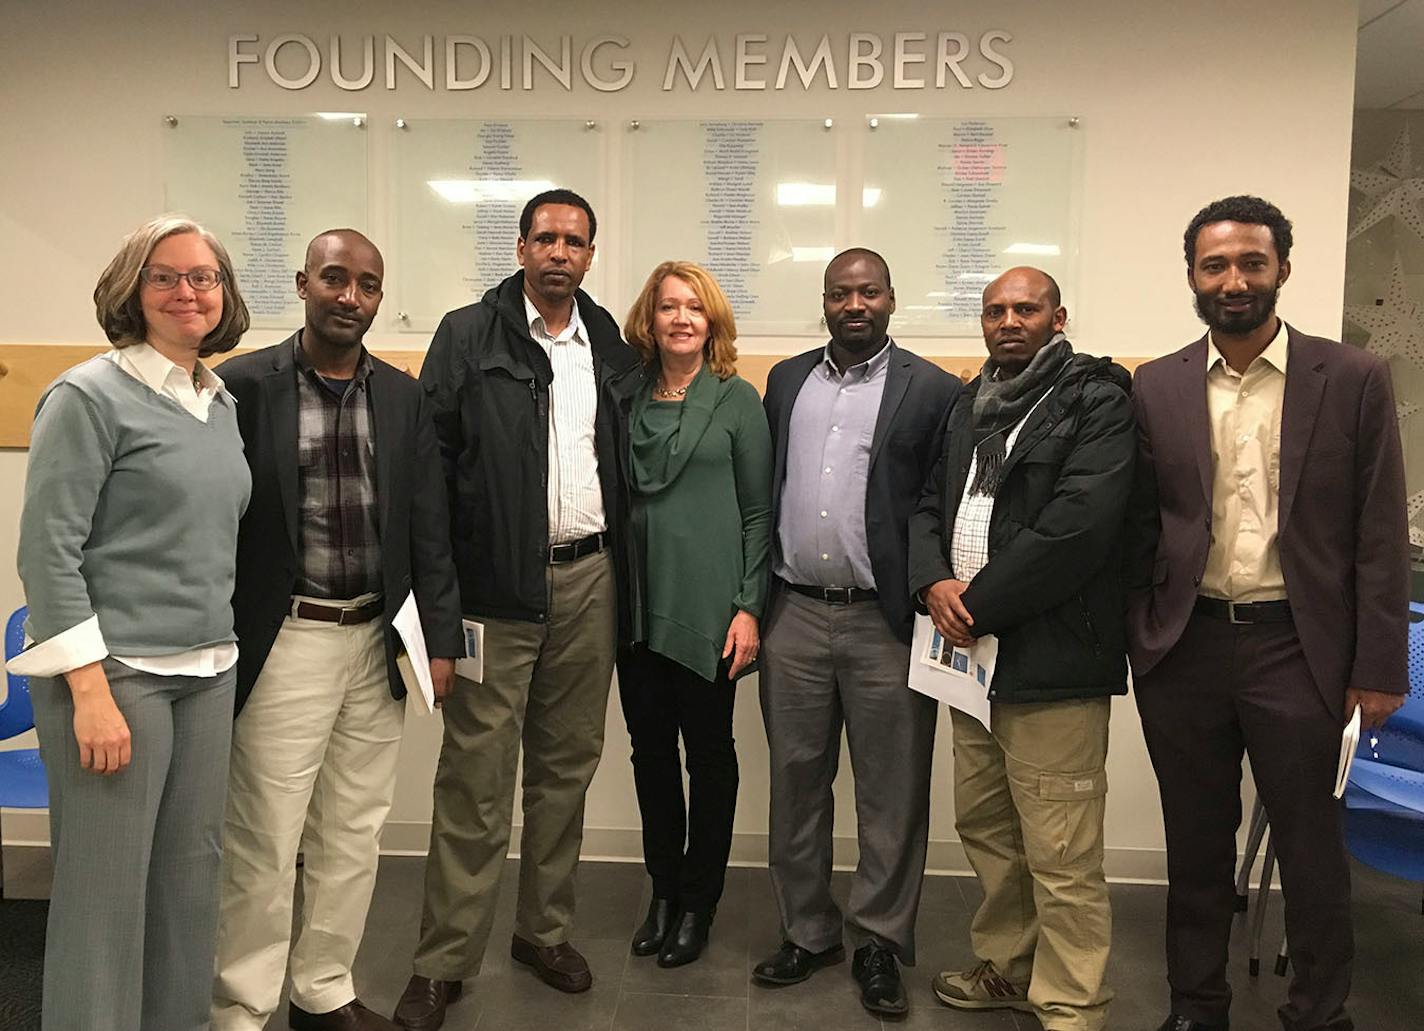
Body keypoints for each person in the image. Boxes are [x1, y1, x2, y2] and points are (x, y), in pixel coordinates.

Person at [1126, 195, 1410, 1031]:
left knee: (1313, 851)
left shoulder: (1351, 377)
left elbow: (1380, 535)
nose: (1234, 279)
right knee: (1198, 847)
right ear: (1191, 278)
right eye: (1215, 264)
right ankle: (1194, 1007)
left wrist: (1378, 668)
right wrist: (1144, 633)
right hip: (1188, 647)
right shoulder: (1158, 384)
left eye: (1252, 261)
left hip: (1302, 648)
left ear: (1283, 267)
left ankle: (1318, 1012)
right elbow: (1141, 523)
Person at [393, 189, 643, 1031]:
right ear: (521, 245)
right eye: (545, 238)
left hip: (590, 581)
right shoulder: (469, 334)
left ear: (590, 252)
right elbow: (429, 476)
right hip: (493, 594)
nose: (559, 253)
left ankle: (544, 930)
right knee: (474, 777)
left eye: (575, 240)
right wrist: (439, 604)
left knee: (566, 769)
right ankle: (443, 960)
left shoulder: (609, 342)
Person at [210, 230, 464, 1031]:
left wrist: (442, 639)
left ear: (379, 297)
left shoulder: (401, 393)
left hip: (377, 642)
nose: (350, 296)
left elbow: (430, 523)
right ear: (303, 284)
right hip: (288, 638)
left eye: (366, 284)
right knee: (266, 837)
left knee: (355, 829)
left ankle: (322, 987)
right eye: (334, 278)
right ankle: (241, 1008)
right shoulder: (243, 387)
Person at [8, 215, 251, 1030]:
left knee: (188, 884)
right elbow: (47, 554)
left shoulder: (218, 402)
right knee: (104, 896)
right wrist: (88, 689)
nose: (188, 292)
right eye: (166, 276)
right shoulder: (87, 395)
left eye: (204, 277)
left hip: (208, 670)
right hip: (117, 679)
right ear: (131, 291)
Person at [908, 267, 1134, 1031]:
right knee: (990, 829)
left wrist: (974, 602)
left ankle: (1072, 1004)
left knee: (1062, 850)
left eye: (1025, 308)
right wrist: (932, 580)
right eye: (995, 309)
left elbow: (1077, 527)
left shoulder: (1095, 399)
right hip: (970, 660)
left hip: (1051, 661)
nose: (1009, 320)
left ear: (1058, 316)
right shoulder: (969, 401)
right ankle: (1008, 968)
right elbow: (927, 505)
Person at [752, 248, 959, 1018]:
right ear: (825, 302)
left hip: (886, 621)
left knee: (892, 791)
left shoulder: (932, 389)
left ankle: (877, 941)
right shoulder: (785, 381)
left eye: (868, 290)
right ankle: (808, 931)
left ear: (892, 298)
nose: (854, 303)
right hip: (795, 612)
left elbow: (937, 499)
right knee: (795, 782)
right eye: (841, 292)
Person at [616, 261, 772, 968]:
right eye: (668, 307)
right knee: (649, 755)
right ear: (649, 320)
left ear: (713, 323)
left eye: (694, 308)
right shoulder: (626, 400)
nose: (681, 318)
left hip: (709, 612)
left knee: (709, 758)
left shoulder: (738, 401)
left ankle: (699, 901)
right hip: (636, 609)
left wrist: (749, 608)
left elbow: (758, 513)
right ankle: (663, 890)